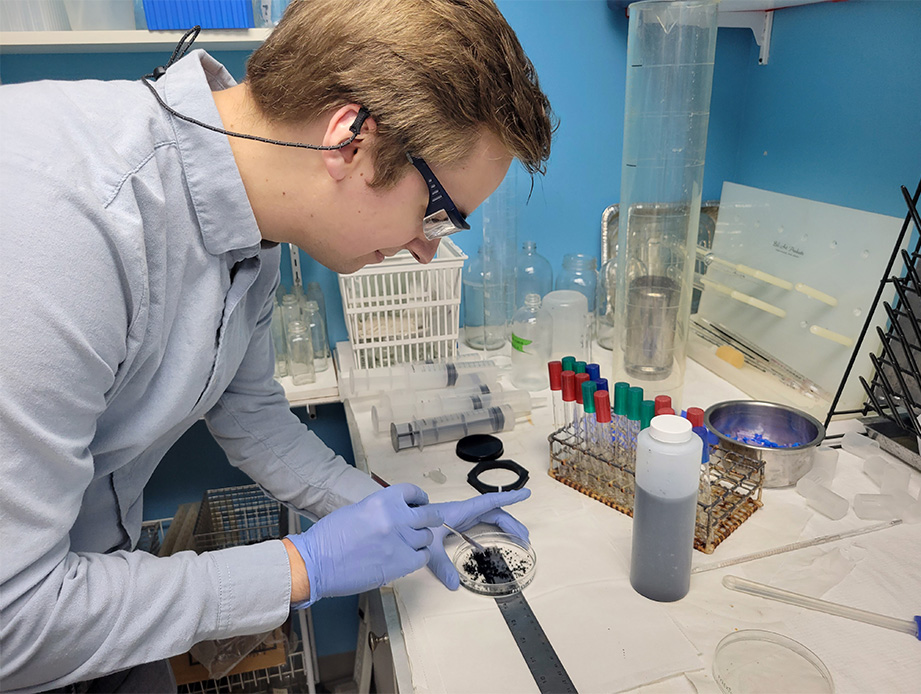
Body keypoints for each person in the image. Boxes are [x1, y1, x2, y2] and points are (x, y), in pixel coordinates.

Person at [0, 0, 553, 691]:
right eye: (436, 212)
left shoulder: (254, 220)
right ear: (350, 139)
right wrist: (302, 567)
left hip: (97, 592)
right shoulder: (66, 225)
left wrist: (390, 515)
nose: (424, 249)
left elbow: (255, 420)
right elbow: (13, 616)